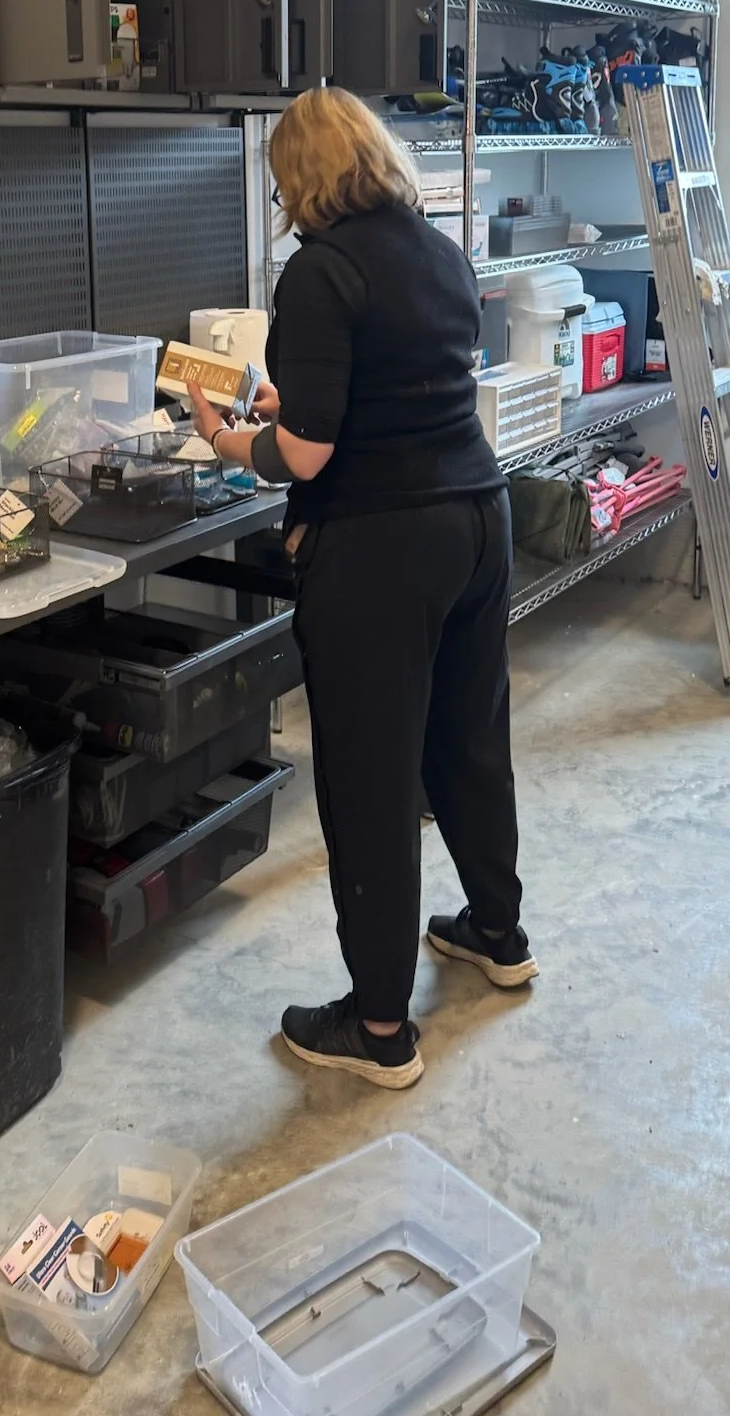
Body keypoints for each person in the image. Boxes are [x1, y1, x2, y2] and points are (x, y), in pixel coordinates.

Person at [188, 86, 536, 1090]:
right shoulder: (438, 253)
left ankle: (380, 1025)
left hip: (384, 547)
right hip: (477, 516)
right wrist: (289, 397)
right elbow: (399, 387)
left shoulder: (319, 268)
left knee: (372, 778)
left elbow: (304, 451)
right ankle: (498, 932)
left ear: (298, 180)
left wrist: (229, 437)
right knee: (470, 737)